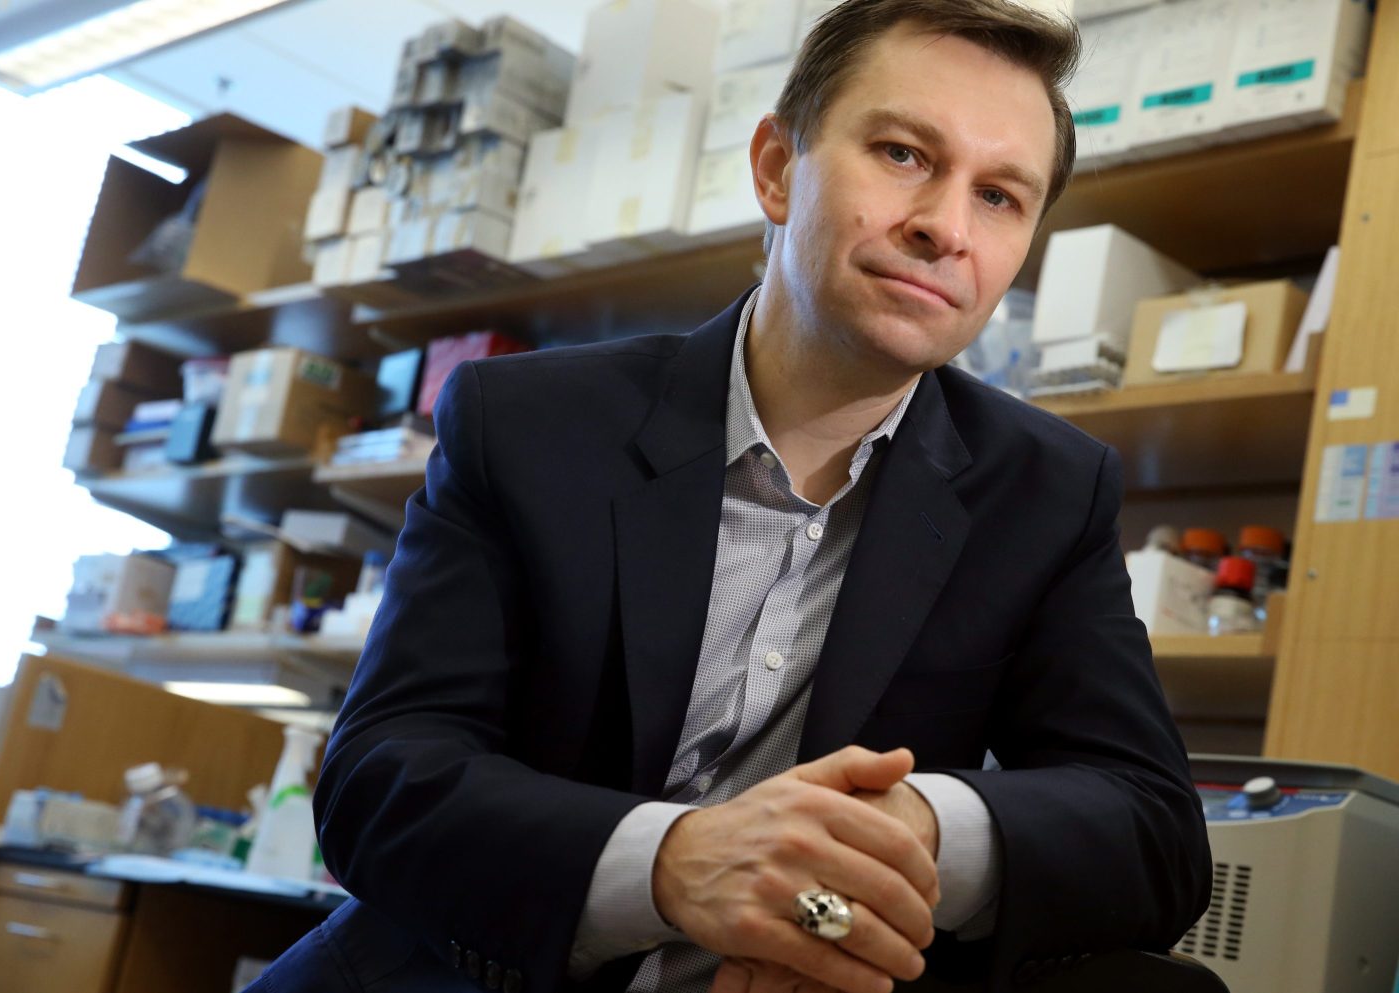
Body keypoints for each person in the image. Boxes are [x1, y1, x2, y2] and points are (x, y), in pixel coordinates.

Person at [263, 2, 1213, 991]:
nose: (946, 227)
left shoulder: (1047, 493)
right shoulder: (527, 424)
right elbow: (381, 774)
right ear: (775, 168)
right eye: (901, 154)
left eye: (1001, 196)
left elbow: (1156, 834)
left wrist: (905, 837)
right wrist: (674, 864)